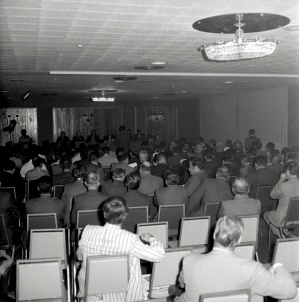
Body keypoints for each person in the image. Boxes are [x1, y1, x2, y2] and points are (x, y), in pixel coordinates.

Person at [177, 216, 297, 302]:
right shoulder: (252, 268)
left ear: (214, 234)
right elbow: (290, 291)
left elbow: (181, 284)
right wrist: (278, 266)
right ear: (239, 240)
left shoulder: (189, 260)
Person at [76, 196, 165, 301]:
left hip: (89, 293)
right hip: (119, 297)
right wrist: (151, 239)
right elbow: (159, 255)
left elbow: (79, 256)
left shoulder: (87, 231)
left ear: (104, 214)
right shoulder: (131, 239)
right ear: (125, 216)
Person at [264, 161, 299, 238]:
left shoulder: (283, 186)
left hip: (283, 218)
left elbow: (272, 195)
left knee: (265, 215)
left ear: (288, 171)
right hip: (297, 217)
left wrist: (280, 180)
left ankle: (281, 238)